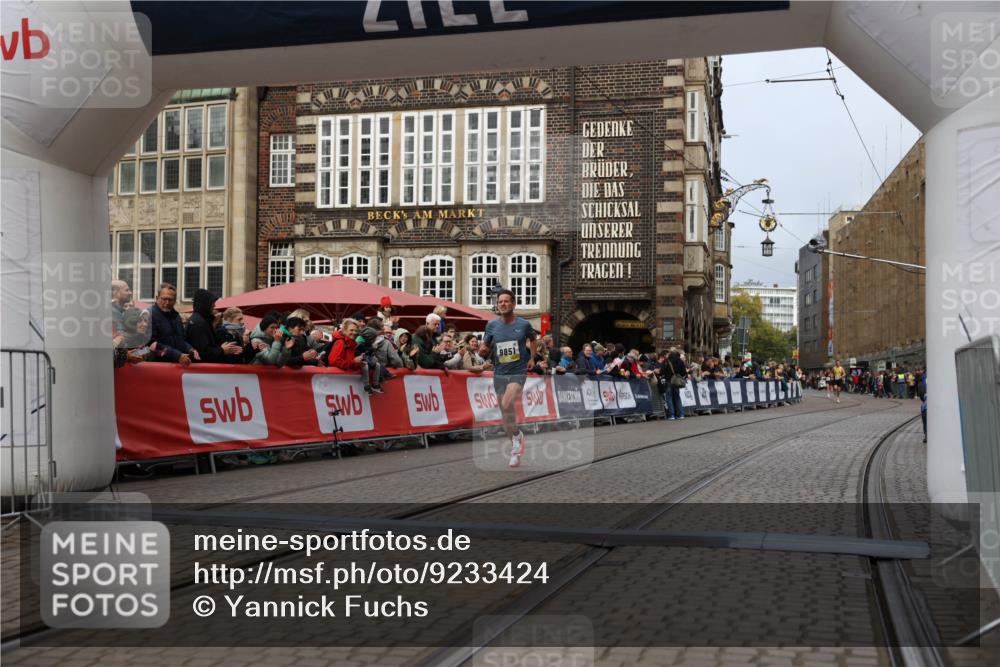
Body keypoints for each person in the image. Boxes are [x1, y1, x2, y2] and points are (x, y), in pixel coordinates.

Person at [478, 289, 537, 467]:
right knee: (505, 415)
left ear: (513, 304)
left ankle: (515, 448)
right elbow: (485, 345)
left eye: (506, 301)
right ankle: (516, 439)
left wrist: (532, 358)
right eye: (500, 301)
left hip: (518, 370)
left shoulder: (523, 324)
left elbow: (533, 340)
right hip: (500, 371)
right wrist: (482, 350)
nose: (502, 304)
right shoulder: (492, 325)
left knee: (507, 404)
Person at [186, 289, 242, 363]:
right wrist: (222, 350)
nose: (214, 305)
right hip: (203, 370)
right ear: (205, 303)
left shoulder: (203, 320)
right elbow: (202, 352)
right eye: (212, 302)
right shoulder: (199, 323)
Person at [148, 283, 198, 366]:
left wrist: (190, 349)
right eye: (164, 299)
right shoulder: (148, 314)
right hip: (157, 366)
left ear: (175, 301)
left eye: (170, 299)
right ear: (157, 298)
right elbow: (151, 344)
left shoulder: (176, 316)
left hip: (176, 365)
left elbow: (181, 340)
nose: (167, 302)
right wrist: (177, 356)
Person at [111, 279, 132, 347]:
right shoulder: (113, 311)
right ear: (116, 293)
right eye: (126, 290)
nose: (130, 293)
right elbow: (121, 337)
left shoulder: (118, 310)